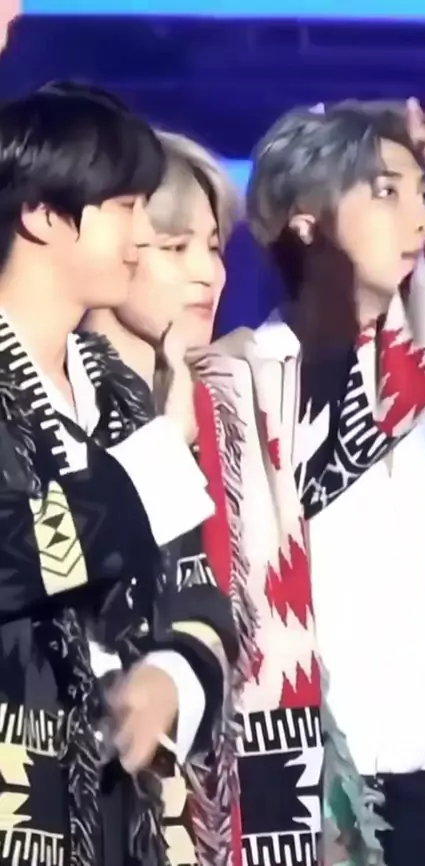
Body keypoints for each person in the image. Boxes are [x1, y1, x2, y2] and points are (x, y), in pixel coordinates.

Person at [184, 93, 425, 866]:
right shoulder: (240, 386)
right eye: (386, 193)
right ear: (306, 222)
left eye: (422, 195)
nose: (418, 220)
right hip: (303, 793)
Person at [0, 83, 238, 866]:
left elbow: (202, 599)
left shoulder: (120, 391)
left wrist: (171, 676)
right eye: (125, 206)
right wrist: (150, 472)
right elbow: (10, 555)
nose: (140, 234)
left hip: (115, 819)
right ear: (42, 214)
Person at [86, 128, 246, 866]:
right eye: (177, 247)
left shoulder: (214, 409)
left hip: (188, 815)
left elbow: (206, 607)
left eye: (213, 247)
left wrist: (173, 678)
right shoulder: (43, 406)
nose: (207, 273)